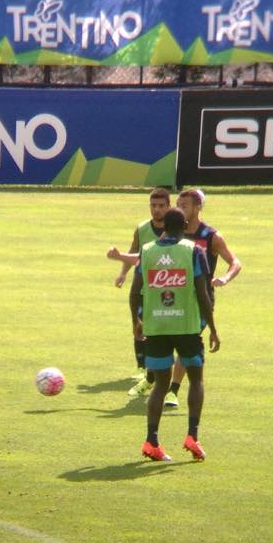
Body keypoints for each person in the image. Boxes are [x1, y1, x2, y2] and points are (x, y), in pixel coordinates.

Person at [130, 208, 219, 462]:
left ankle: (151, 441)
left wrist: (136, 321)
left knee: (160, 384)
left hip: (157, 328)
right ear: (185, 224)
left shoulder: (147, 251)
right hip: (187, 327)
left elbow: (135, 292)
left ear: (163, 226)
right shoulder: (194, 251)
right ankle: (192, 436)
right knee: (196, 380)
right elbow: (202, 293)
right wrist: (213, 328)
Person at [163, 189, 241, 408]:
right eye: (178, 205)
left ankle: (172, 390)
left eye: (184, 205)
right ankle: (153, 378)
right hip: (173, 298)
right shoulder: (171, 233)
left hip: (200, 299)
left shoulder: (211, 236)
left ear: (198, 208)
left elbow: (235, 262)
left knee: (187, 339)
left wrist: (225, 278)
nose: (179, 209)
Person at [107, 188, 170, 396]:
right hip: (141, 286)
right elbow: (134, 252)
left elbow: (145, 256)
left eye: (161, 206)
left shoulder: (174, 229)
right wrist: (122, 273)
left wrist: (119, 256)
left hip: (163, 288)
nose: (156, 209)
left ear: (168, 206)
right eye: (153, 205)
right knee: (138, 325)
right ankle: (143, 368)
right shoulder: (142, 228)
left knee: (157, 330)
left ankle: (155, 371)